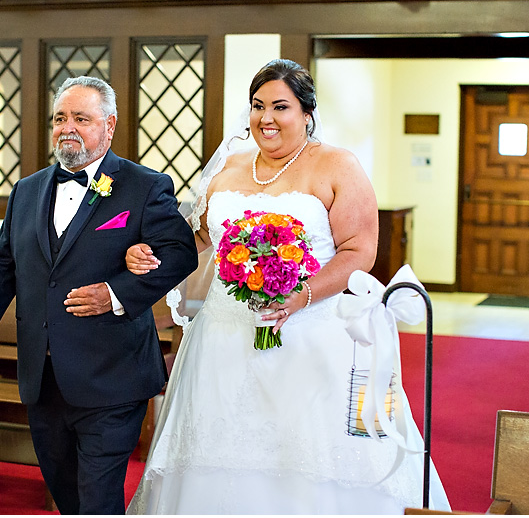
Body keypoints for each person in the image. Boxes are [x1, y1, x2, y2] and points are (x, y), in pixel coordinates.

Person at [124, 59, 451, 514]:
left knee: (306, 456)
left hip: (310, 334)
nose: (266, 118)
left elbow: (359, 251)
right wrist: (151, 253)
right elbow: (198, 238)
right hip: (224, 337)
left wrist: (302, 295)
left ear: (306, 113)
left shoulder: (337, 165)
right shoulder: (229, 168)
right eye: (258, 106)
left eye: (281, 106)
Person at [0, 76, 198, 515]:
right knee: (66, 496)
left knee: (97, 500)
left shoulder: (144, 186)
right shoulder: (27, 191)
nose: (69, 127)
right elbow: (2, 264)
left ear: (109, 126)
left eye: (81, 118)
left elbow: (179, 254)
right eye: (61, 118)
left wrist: (115, 292)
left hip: (112, 375)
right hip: (42, 378)